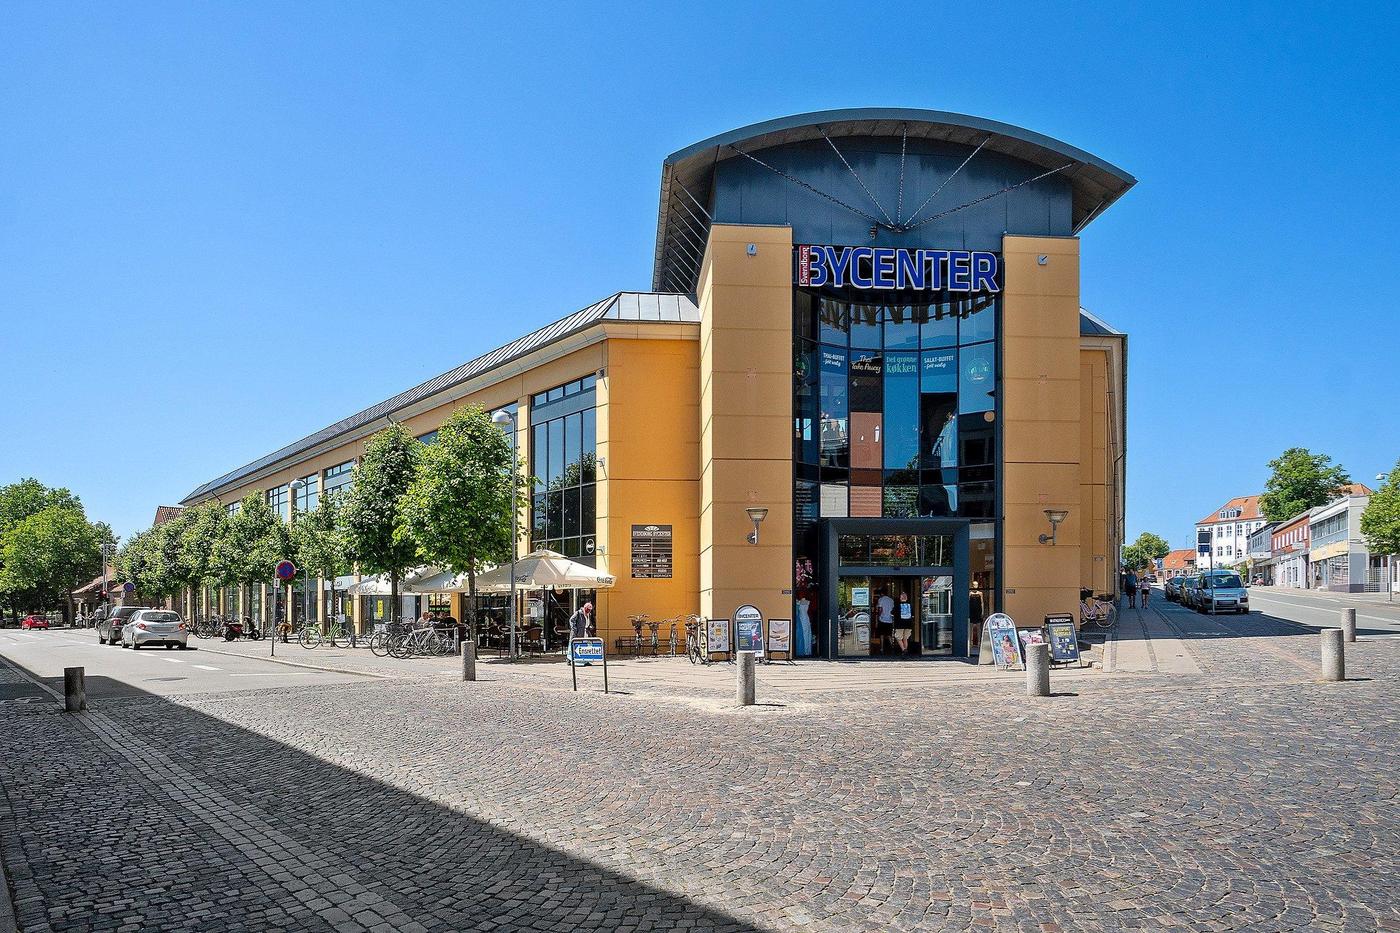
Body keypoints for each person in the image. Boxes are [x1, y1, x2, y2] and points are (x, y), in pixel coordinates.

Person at [875, 589, 895, 655]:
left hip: (882, 619)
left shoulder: (881, 599)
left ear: (881, 594)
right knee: (889, 634)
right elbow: (893, 610)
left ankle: (882, 648)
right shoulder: (891, 600)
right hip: (889, 619)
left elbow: (880, 609)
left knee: (882, 634)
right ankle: (892, 646)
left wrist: (878, 617)